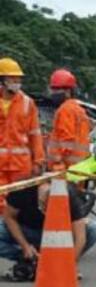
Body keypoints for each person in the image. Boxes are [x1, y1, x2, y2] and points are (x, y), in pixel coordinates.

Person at [0, 177, 96, 281]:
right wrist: (25, 246)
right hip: (26, 230)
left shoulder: (69, 194)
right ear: (40, 197)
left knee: (93, 229)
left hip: (57, 234)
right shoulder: (23, 189)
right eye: (44, 206)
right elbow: (9, 217)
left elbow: (81, 236)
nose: (46, 211)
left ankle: (58, 262)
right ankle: (29, 258)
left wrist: (71, 263)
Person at [0, 57, 45, 211]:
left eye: (18, 78)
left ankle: (12, 232)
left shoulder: (27, 103)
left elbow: (35, 135)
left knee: (18, 205)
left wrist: (38, 161)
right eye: (12, 77)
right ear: (2, 80)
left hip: (21, 166)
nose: (17, 81)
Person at [46, 68, 92, 169]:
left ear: (68, 91)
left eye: (57, 89)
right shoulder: (79, 110)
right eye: (53, 89)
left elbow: (67, 141)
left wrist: (59, 162)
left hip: (64, 169)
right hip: (79, 168)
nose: (53, 93)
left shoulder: (65, 110)